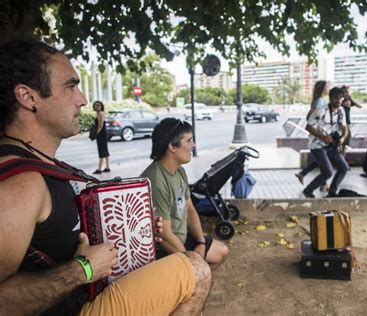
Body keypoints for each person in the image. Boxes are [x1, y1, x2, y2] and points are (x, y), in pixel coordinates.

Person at [0, 39, 211, 315]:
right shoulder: (20, 182)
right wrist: (82, 270)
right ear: (28, 98)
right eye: (70, 86)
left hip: (85, 292)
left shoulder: (42, 164)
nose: (83, 99)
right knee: (196, 269)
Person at [141, 118, 229, 270]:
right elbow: (164, 235)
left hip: (181, 238)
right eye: (189, 141)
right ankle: (185, 286)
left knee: (221, 252)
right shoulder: (155, 181)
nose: (193, 146)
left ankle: (189, 287)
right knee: (197, 272)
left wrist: (201, 242)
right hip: (163, 251)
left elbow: (189, 209)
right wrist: (190, 262)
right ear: (172, 147)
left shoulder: (179, 170)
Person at [302, 87, 349, 198]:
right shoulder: (321, 110)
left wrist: (342, 138)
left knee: (344, 167)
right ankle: (308, 190)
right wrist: (323, 137)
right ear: (330, 98)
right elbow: (308, 127)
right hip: (317, 145)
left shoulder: (341, 111)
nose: (339, 101)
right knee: (328, 171)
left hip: (332, 145)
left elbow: (345, 127)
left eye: (341, 98)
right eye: (336, 98)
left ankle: (332, 192)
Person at [295, 80, 330, 192]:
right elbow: (311, 117)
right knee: (324, 160)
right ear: (322, 89)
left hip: (319, 135)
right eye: (327, 87)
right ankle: (320, 185)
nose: (328, 89)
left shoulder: (318, 100)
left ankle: (304, 174)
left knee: (323, 160)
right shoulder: (319, 101)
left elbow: (309, 116)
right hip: (319, 136)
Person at [340, 85, 362, 154]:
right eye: (345, 92)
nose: (346, 93)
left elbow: (359, 106)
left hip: (347, 123)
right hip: (340, 124)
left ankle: (342, 159)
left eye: (347, 92)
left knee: (345, 144)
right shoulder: (339, 100)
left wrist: (351, 99)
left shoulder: (349, 100)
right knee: (339, 143)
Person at [92, 100, 111, 174]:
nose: (97, 107)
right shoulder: (99, 113)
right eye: (96, 105)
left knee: (102, 151)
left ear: (101, 106)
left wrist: (96, 134)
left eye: (99, 105)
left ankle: (99, 169)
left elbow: (100, 125)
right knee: (105, 151)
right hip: (103, 133)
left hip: (101, 134)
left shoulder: (100, 113)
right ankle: (107, 167)